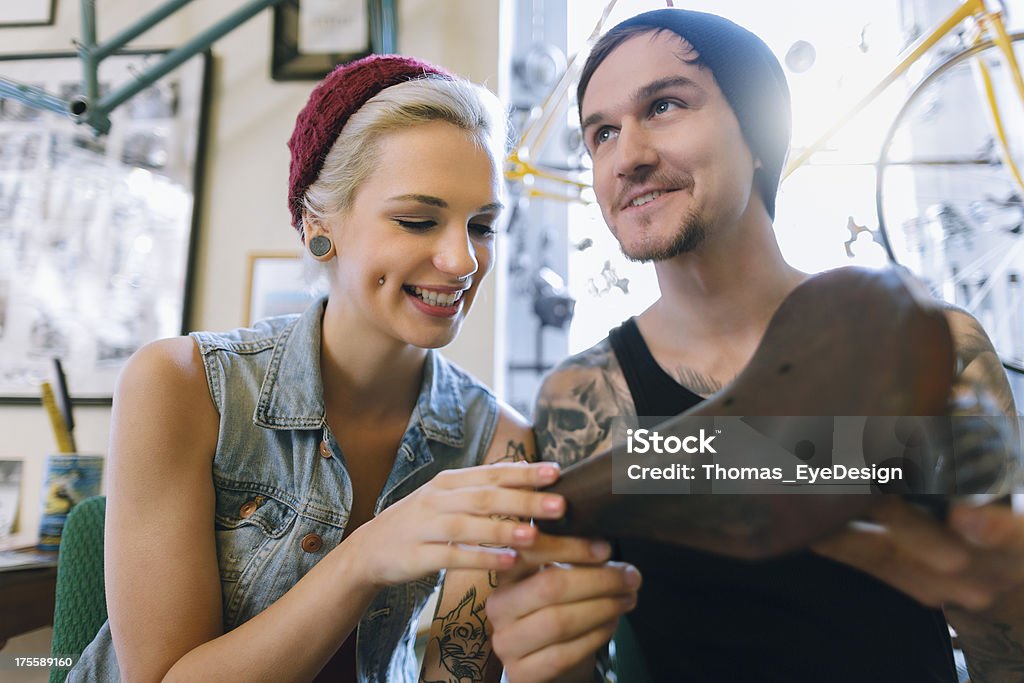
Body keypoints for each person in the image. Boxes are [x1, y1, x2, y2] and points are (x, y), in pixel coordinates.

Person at [486, 8, 1024, 682]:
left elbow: (1004, 650)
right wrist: (548, 661)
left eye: (664, 105)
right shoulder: (582, 399)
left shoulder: (936, 349)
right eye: (601, 133)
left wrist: (998, 597)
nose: (627, 156)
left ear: (761, 129)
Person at [67, 55, 619, 683]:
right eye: (418, 220)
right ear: (316, 225)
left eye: (483, 226)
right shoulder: (181, 386)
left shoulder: (500, 444)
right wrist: (365, 557)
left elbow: (457, 672)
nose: (462, 259)